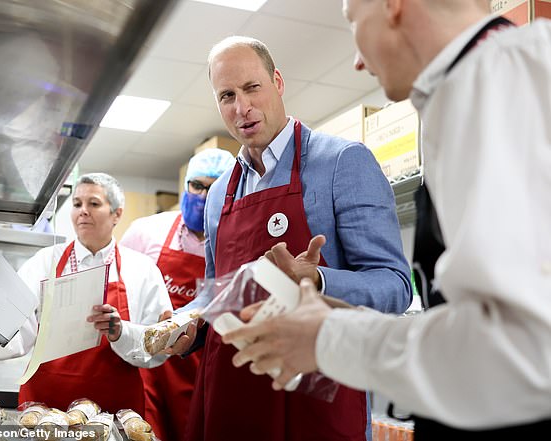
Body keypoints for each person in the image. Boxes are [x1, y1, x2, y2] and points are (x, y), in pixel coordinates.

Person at [223, 1, 551, 439]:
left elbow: (524, 352)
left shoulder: (495, 82)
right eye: (226, 95)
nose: (358, 61)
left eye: (353, 21)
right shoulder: (472, 87)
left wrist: (328, 338)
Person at [180, 35, 413, 441]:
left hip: (316, 397)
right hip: (231, 397)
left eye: (252, 88)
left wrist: (319, 279)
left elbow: (395, 285)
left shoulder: (342, 162)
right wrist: (187, 324)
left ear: (278, 82)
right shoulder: (219, 194)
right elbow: (219, 294)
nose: (242, 108)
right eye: (227, 96)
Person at [0, 172, 172, 414]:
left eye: (94, 203)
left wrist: (122, 332)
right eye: (77, 204)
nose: (83, 211)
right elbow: (19, 329)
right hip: (45, 405)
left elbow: (157, 345)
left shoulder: (142, 269)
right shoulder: (45, 262)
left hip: (114, 407)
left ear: (117, 214)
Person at [120, 147, 234, 441]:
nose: (203, 195)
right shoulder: (146, 232)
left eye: (214, 188)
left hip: (203, 369)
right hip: (148, 367)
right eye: (197, 185)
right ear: (185, 185)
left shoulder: (236, 242)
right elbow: (119, 291)